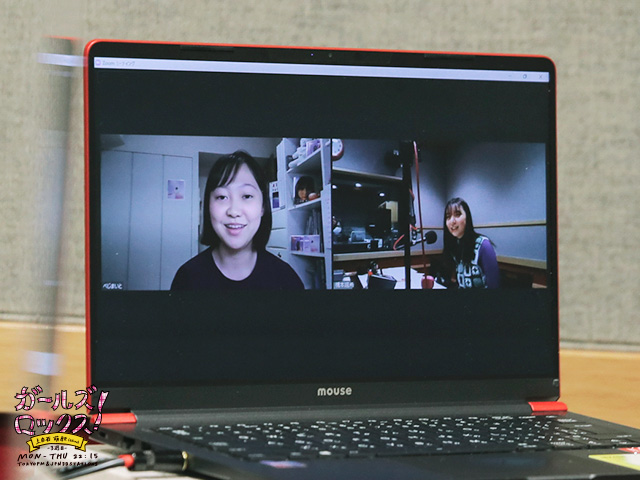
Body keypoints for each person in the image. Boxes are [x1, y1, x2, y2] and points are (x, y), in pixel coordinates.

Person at [171, 151, 304, 290]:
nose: (234, 211)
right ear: (208, 206)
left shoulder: (286, 279)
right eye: (222, 197)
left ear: (263, 207)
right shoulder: (187, 278)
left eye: (246, 196)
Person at [442, 197, 499, 289]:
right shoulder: (454, 246)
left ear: (467, 218)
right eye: (448, 217)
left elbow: (494, 286)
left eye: (457, 214)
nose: (452, 221)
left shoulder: (483, 245)